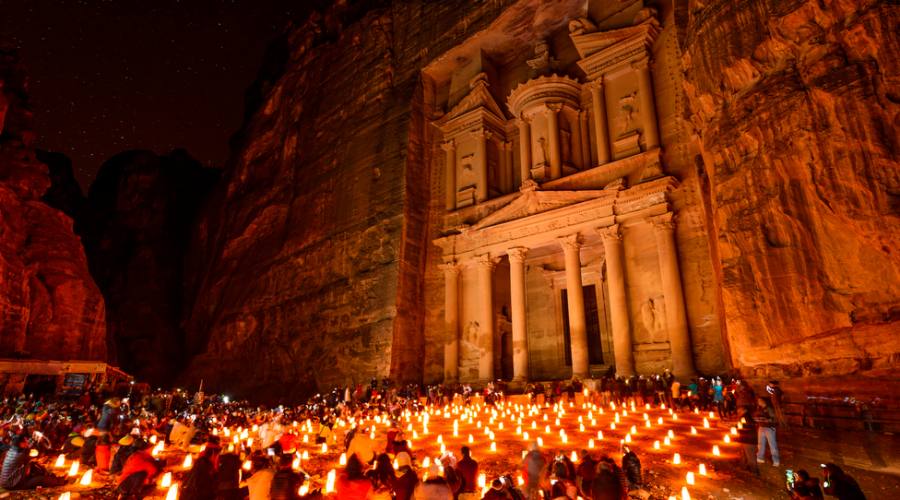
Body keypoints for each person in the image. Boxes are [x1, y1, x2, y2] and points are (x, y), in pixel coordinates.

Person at [754, 397, 780, 467]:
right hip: (761, 427)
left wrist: (764, 419)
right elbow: (756, 416)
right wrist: (757, 419)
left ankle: (776, 460)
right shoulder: (759, 408)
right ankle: (760, 458)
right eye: (758, 401)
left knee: (772, 445)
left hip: (769, 428)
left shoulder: (769, 409)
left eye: (760, 401)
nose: (759, 402)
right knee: (760, 444)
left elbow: (773, 419)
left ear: (764, 401)